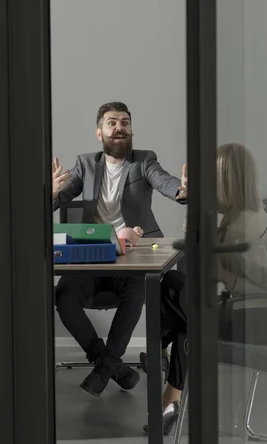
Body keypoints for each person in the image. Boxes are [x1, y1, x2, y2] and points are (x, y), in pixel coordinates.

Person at [141, 142, 267, 435]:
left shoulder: (242, 228)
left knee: (168, 284)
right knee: (184, 313)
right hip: (252, 311)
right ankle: (171, 395)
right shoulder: (246, 215)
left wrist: (217, 269)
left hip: (254, 318)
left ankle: (159, 349)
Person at [53, 102, 187, 397]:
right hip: (91, 256)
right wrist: (50, 193)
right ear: (99, 132)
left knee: (135, 292)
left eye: (124, 122)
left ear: (131, 130)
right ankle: (111, 364)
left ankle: (105, 367)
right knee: (63, 296)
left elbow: (164, 181)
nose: (119, 128)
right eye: (112, 123)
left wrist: (182, 190)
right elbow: (58, 198)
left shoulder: (144, 161)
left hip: (132, 256)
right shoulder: (85, 164)